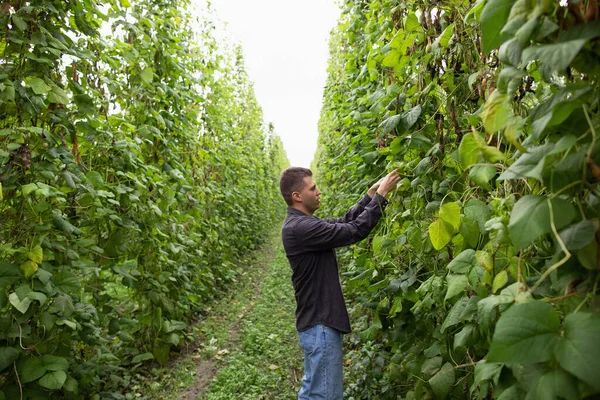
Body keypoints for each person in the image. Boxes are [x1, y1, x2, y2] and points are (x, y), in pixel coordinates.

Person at [280, 167, 400, 400]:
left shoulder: (301, 224)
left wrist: (369, 196)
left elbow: (343, 223)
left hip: (315, 324)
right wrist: (382, 198)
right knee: (326, 396)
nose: (319, 191)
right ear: (297, 196)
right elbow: (353, 231)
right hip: (320, 325)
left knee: (312, 391)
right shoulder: (301, 228)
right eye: (313, 188)